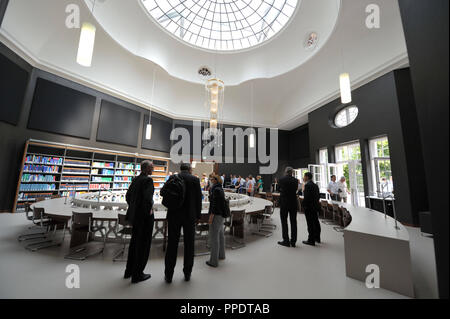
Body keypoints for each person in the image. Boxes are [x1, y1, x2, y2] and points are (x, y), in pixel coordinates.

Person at [164, 163, 202, 283]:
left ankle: (168, 274)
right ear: (190, 169)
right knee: (189, 245)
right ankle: (187, 273)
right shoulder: (195, 180)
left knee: (172, 244)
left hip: (174, 215)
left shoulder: (173, 178)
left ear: (180, 169)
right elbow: (198, 199)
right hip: (189, 217)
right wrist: (198, 216)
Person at [124, 160, 155, 283]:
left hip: (135, 217)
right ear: (147, 168)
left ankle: (129, 271)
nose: (153, 169)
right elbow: (148, 199)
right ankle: (138, 274)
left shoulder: (136, 179)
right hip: (144, 218)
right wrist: (148, 211)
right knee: (143, 245)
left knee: (134, 243)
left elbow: (128, 196)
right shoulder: (148, 180)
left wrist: (134, 208)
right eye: (152, 167)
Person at [206, 174, 226, 268]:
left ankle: (213, 261)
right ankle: (221, 255)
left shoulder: (215, 189)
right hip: (221, 215)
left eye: (211, 179)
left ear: (215, 180)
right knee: (221, 235)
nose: (210, 180)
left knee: (214, 238)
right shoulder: (220, 189)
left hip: (216, 215)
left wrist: (211, 217)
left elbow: (214, 205)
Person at [278, 167, 299, 248]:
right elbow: (296, 190)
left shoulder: (281, 179)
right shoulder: (295, 180)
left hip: (284, 202)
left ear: (286, 172)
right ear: (292, 172)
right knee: (293, 222)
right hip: (293, 202)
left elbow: (278, 189)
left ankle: (286, 240)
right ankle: (293, 241)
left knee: (284, 221)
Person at [302, 172, 321, 246]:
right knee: (316, 222)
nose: (303, 178)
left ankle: (311, 240)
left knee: (310, 224)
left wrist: (304, 205)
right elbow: (318, 196)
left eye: (304, 176)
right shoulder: (315, 185)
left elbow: (306, 198)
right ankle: (317, 238)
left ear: (307, 177)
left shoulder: (307, 185)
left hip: (309, 207)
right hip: (315, 206)